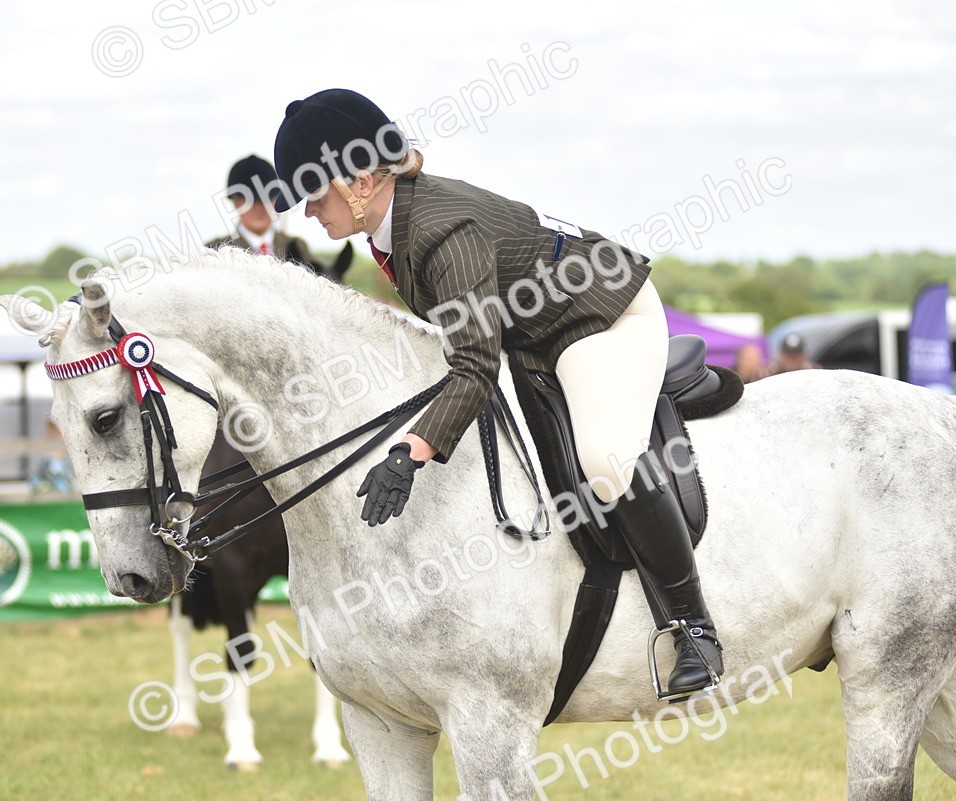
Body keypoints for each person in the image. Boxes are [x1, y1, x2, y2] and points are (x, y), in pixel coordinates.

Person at [271, 89, 723, 695]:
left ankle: (694, 628)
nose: (307, 212)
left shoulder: (439, 229)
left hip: (599, 318)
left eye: (313, 193)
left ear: (359, 180)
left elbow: (475, 369)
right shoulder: (391, 227)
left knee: (606, 461)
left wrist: (409, 453)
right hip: (536, 334)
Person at [208, 154, 350, 283]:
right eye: (250, 200)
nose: (259, 207)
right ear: (236, 202)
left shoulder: (296, 247)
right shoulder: (215, 251)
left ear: (275, 199)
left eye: (266, 198)